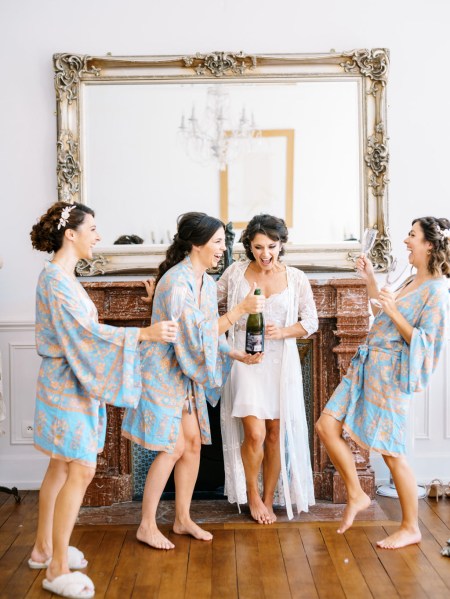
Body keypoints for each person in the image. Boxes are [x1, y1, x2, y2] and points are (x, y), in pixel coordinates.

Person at [29, 202, 177, 599]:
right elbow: (84, 335)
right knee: (79, 468)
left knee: (61, 467)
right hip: (66, 384)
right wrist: (143, 335)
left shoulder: (61, 277)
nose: (97, 235)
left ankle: (44, 547)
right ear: (70, 234)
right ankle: (56, 568)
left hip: (71, 382)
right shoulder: (57, 281)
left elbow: (87, 332)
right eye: (92, 228)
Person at [122, 212, 264, 550]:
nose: (222, 249)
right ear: (196, 244)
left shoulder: (207, 282)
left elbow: (210, 333)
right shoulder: (175, 282)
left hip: (186, 374)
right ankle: (146, 525)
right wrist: (240, 310)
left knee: (194, 444)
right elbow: (195, 334)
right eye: (217, 242)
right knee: (172, 447)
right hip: (165, 372)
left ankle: (182, 519)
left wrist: (234, 354)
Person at [316, 216, 450, 549]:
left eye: (412, 235)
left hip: (391, 376)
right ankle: (357, 494)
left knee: (392, 454)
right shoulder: (411, 279)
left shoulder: (437, 292)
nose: (406, 240)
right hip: (367, 365)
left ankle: (411, 526)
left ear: (429, 244)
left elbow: (427, 342)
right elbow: (382, 308)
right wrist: (371, 279)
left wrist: (392, 312)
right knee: (325, 425)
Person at [218, 214, 318, 524]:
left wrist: (284, 331)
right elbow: (205, 301)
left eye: (271, 247)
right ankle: (251, 493)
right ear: (249, 245)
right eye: (258, 247)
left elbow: (311, 322)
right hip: (246, 363)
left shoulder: (296, 278)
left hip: (280, 365)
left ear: (281, 245)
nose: (265, 254)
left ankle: (268, 497)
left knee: (274, 435)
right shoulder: (235, 274)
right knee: (255, 433)